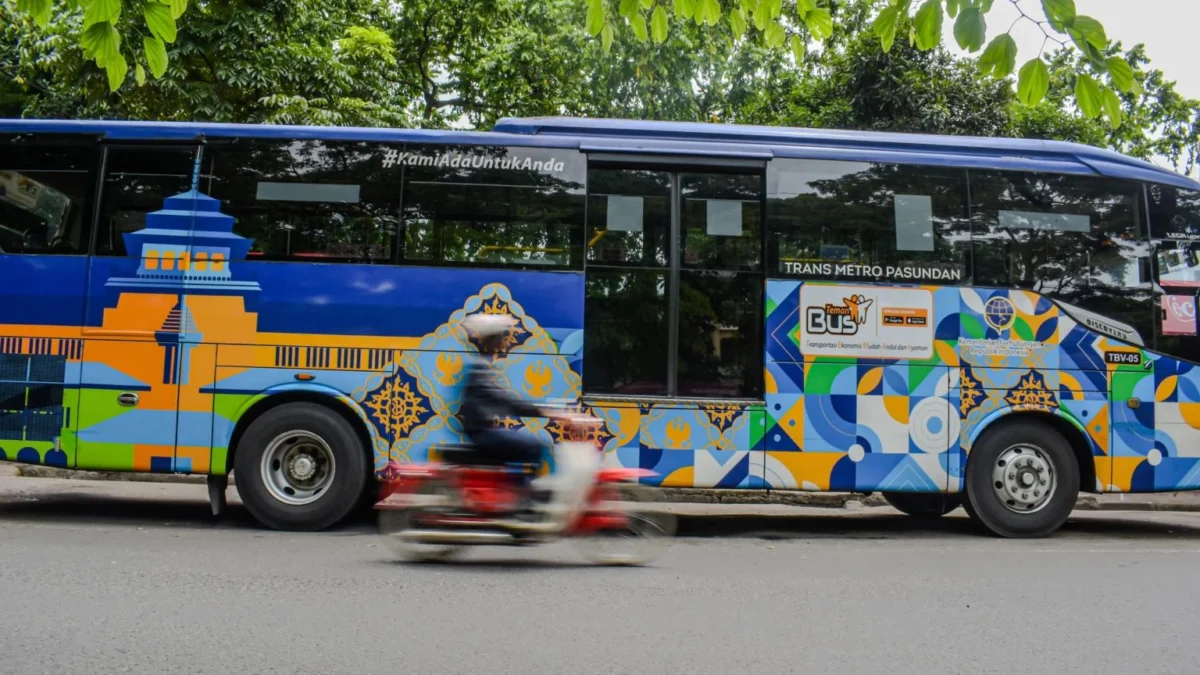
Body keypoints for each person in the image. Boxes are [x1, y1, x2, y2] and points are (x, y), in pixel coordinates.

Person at [457, 313, 561, 517]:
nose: (504, 341)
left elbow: (502, 399)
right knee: (535, 447)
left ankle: (515, 497)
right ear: (491, 339)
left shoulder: (482, 364)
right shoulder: (480, 367)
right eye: (501, 336)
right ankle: (522, 504)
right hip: (481, 432)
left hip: (482, 430)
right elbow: (505, 401)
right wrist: (542, 411)